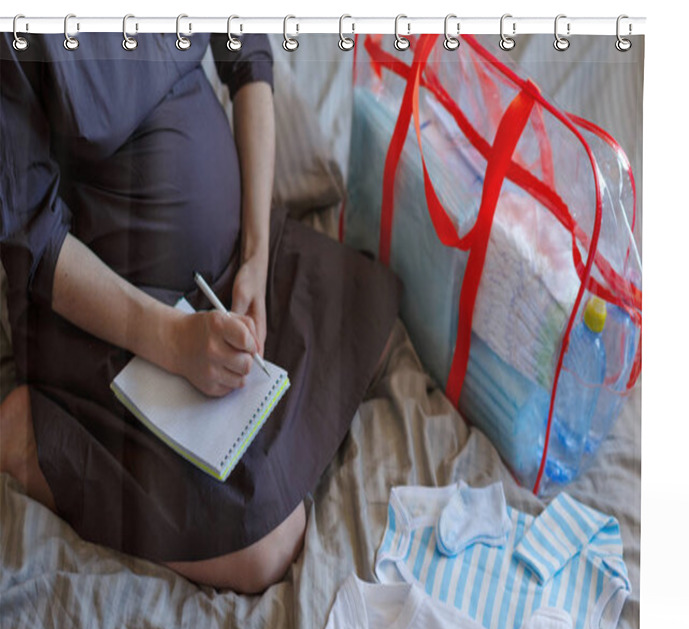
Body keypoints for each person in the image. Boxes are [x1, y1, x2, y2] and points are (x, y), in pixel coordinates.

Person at [0, 32, 401, 593]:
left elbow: (249, 63)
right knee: (270, 548)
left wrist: (256, 260)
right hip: (119, 318)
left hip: (233, 267)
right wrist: (172, 340)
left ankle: (257, 449)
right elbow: (33, 242)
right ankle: (37, 439)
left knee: (370, 322)